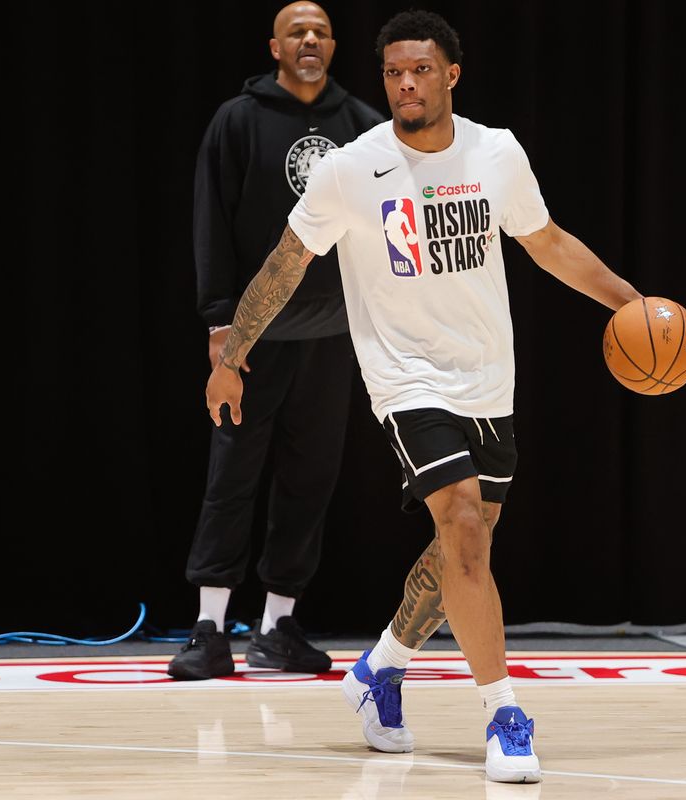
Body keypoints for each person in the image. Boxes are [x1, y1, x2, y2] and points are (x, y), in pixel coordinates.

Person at [205, 9, 642, 783]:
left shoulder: (496, 153)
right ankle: (504, 714)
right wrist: (231, 353)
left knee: (456, 555)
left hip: (488, 379)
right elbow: (285, 260)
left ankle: (381, 669)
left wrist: (629, 303)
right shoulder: (350, 167)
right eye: (394, 73)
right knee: (465, 528)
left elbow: (548, 243)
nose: (406, 84)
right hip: (405, 378)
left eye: (420, 70)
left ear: (451, 75)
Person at [170, 2, 383, 681]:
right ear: (275, 46)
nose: (311, 40)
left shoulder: (362, 129)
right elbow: (211, 222)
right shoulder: (239, 121)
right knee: (231, 477)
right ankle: (208, 628)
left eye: (320, 31)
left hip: (330, 333)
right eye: (298, 31)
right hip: (253, 336)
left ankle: (277, 627)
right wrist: (220, 327)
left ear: (334, 45)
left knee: (309, 482)